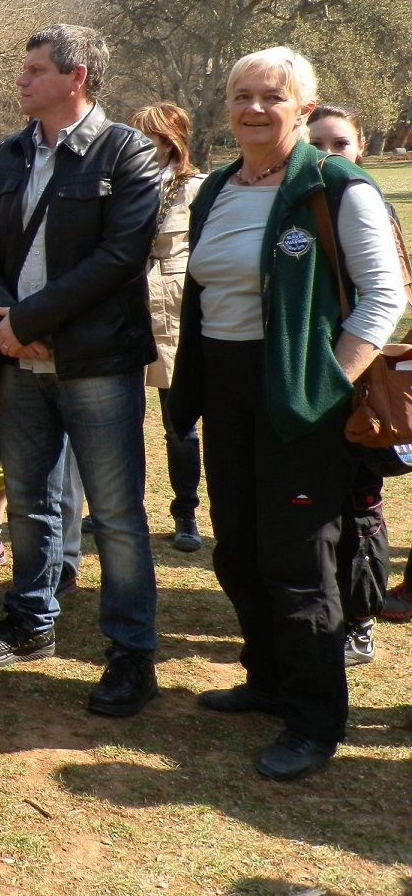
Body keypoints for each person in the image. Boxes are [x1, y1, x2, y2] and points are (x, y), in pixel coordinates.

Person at [168, 48, 404, 781]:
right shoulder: (216, 191)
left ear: (303, 108)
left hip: (303, 396)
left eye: (272, 96)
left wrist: (329, 382)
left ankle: (313, 720)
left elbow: (385, 297)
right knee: (237, 547)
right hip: (229, 390)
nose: (254, 109)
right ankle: (268, 681)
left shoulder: (336, 187)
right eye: (242, 95)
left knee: (299, 561)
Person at [0, 23, 162, 718]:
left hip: (96, 363)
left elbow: (119, 259)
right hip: (18, 359)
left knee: (118, 515)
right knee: (34, 497)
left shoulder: (125, 152)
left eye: (35, 70)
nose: (21, 81)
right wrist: (3, 322)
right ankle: (31, 621)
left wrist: (31, 322)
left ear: (76, 78)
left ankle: (132, 654)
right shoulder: (9, 154)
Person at [306, 104, 395, 667]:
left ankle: (361, 620)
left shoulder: (368, 206)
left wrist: (346, 370)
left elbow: (387, 297)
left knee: (359, 503)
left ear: (359, 147)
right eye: (316, 144)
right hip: (304, 380)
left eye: (339, 143)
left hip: (355, 380)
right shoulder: (298, 205)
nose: (328, 154)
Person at [129, 103, 206, 553]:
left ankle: (186, 514)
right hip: (128, 313)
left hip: (174, 315)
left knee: (180, 425)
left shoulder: (196, 190)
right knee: (124, 423)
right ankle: (122, 511)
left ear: (171, 140)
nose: (144, 146)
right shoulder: (125, 187)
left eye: (151, 137)